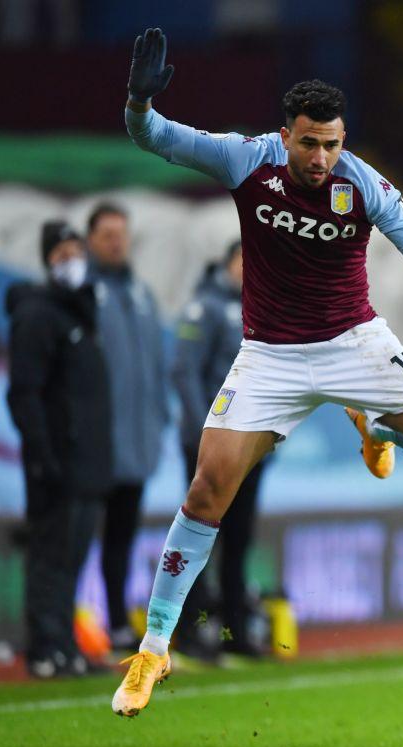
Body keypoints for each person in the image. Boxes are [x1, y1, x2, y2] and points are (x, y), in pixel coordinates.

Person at [111, 28, 403, 716]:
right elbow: (155, 137)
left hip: (356, 344)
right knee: (205, 492)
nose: (321, 158)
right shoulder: (244, 159)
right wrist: (139, 101)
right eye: (310, 142)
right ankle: (154, 646)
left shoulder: (363, 184)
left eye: (333, 144)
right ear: (285, 134)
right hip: (270, 357)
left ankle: (372, 417)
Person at [5, 222, 112, 678]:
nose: (72, 258)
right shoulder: (37, 315)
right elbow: (23, 393)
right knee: (50, 557)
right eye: (62, 251)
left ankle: (64, 645)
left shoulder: (79, 314)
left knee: (71, 558)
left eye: (76, 249)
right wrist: (42, 454)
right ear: (47, 259)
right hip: (57, 464)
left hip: (86, 463)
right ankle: (44, 648)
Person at [171, 242, 265, 657]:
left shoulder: (266, 308)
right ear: (227, 264)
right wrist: (200, 434)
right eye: (243, 259)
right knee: (200, 538)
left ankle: (234, 635)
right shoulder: (205, 307)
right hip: (213, 446)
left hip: (251, 444)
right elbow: (185, 371)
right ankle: (192, 633)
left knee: (239, 540)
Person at [87, 201, 170, 654]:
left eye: (122, 233)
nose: (116, 241)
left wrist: (157, 420)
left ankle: (117, 622)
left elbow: (156, 367)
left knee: (121, 538)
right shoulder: (82, 292)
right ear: (90, 240)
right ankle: (68, 626)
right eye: (107, 234)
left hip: (136, 445)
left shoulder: (141, 294)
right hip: (94, 445)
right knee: (80, 538)